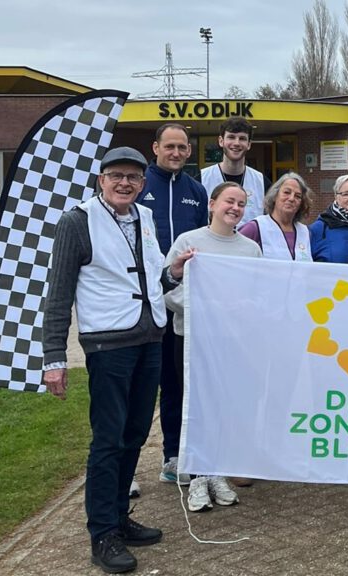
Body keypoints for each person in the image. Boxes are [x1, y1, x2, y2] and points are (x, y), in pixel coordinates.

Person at [42, 147, 191, 573]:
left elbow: (148, 273)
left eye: (133, 177)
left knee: (136, 433)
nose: (125, 183)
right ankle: (102, 532)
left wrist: (172, 272)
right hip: (108, 344)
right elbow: (59, 293)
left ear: (142, 183)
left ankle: (120, 516)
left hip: (149, 337)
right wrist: (54, 357)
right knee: (108, 439)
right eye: (116, 176)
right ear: (101, 180)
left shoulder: (144, 216)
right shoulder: (77, 221)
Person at [163, 181, 262, 512]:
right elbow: (170, 290)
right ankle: (196, 476)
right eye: (229, 201)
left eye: (241, 204)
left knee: (223, 404)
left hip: (231, 342)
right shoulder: (188, 241)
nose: (235, 208)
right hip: (192, 338)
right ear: (212, 204)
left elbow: (257, 293)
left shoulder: (250, 249)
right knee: (194, 405)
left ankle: (216, 471)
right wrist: (207, 310)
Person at [137, 123, 208, 492]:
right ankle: (126, 467)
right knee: (140, 384)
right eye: (170, 146)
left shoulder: (196, 191)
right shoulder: (139, 184)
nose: (176, 153)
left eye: (182, 147)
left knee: (177, 383)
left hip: (180, 303)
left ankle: (173, 455)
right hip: (142, 301)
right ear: (156, 148)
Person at [200, 116, 265, 228]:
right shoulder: (201, 179)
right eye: (231, 137)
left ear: (249, 144)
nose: (236, 143)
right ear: (221, 141)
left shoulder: (262, 182)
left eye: (242, 138)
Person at [239, 172, 313, 261]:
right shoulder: (255, 228)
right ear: (275, 196)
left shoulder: (305, 232)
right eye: (286, 192)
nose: (291, 198)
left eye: (298, 196)